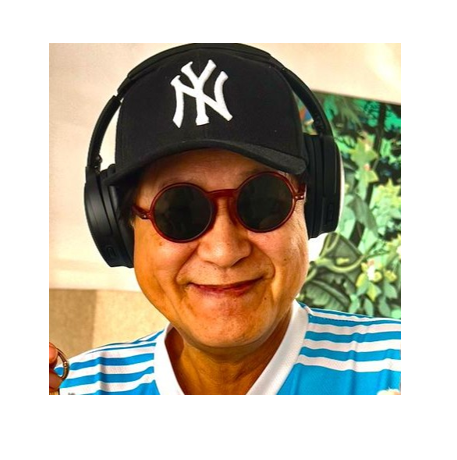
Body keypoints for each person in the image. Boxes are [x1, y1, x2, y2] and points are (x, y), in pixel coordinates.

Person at [49, 43, 401, 395]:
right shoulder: (72, 391)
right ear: (121, 228)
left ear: (312, 208)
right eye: (178, 211)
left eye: (264, 201)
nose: (224, 251)